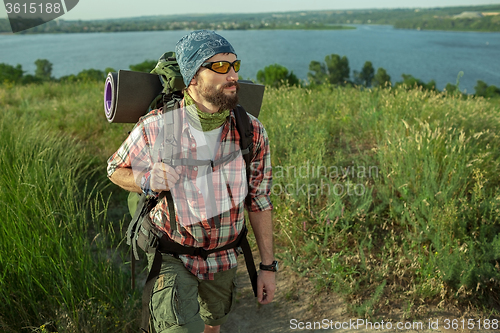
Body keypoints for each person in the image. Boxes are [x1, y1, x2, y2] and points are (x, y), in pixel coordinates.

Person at [107, 30, 276, 333]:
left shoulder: (250, 129)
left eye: (235, 65)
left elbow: (259, 201)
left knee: (213, 325)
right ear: (193, 77)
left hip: (225, 256)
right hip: (172, 254)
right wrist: (147, 178)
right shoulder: (156, 126)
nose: (233, 74)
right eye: (221, 67)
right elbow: (114, 169)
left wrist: (267, 267)